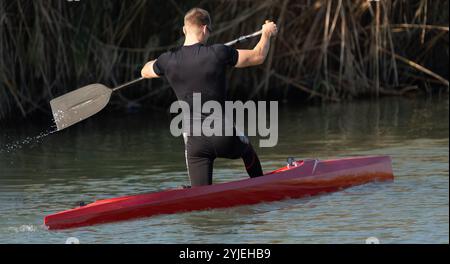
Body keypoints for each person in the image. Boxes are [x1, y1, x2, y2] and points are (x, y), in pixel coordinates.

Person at [141, 8, 278, 187]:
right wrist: (266, 34)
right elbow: (258, 56)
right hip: (223, 135)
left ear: (184, 30)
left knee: (200, 198)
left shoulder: (168, 60)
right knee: (248, 151)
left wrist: (159, 65)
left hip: (194, 143)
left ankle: (197, 198)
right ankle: (263, 187)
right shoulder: (218, 53)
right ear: (205, 29)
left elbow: (144, 71)